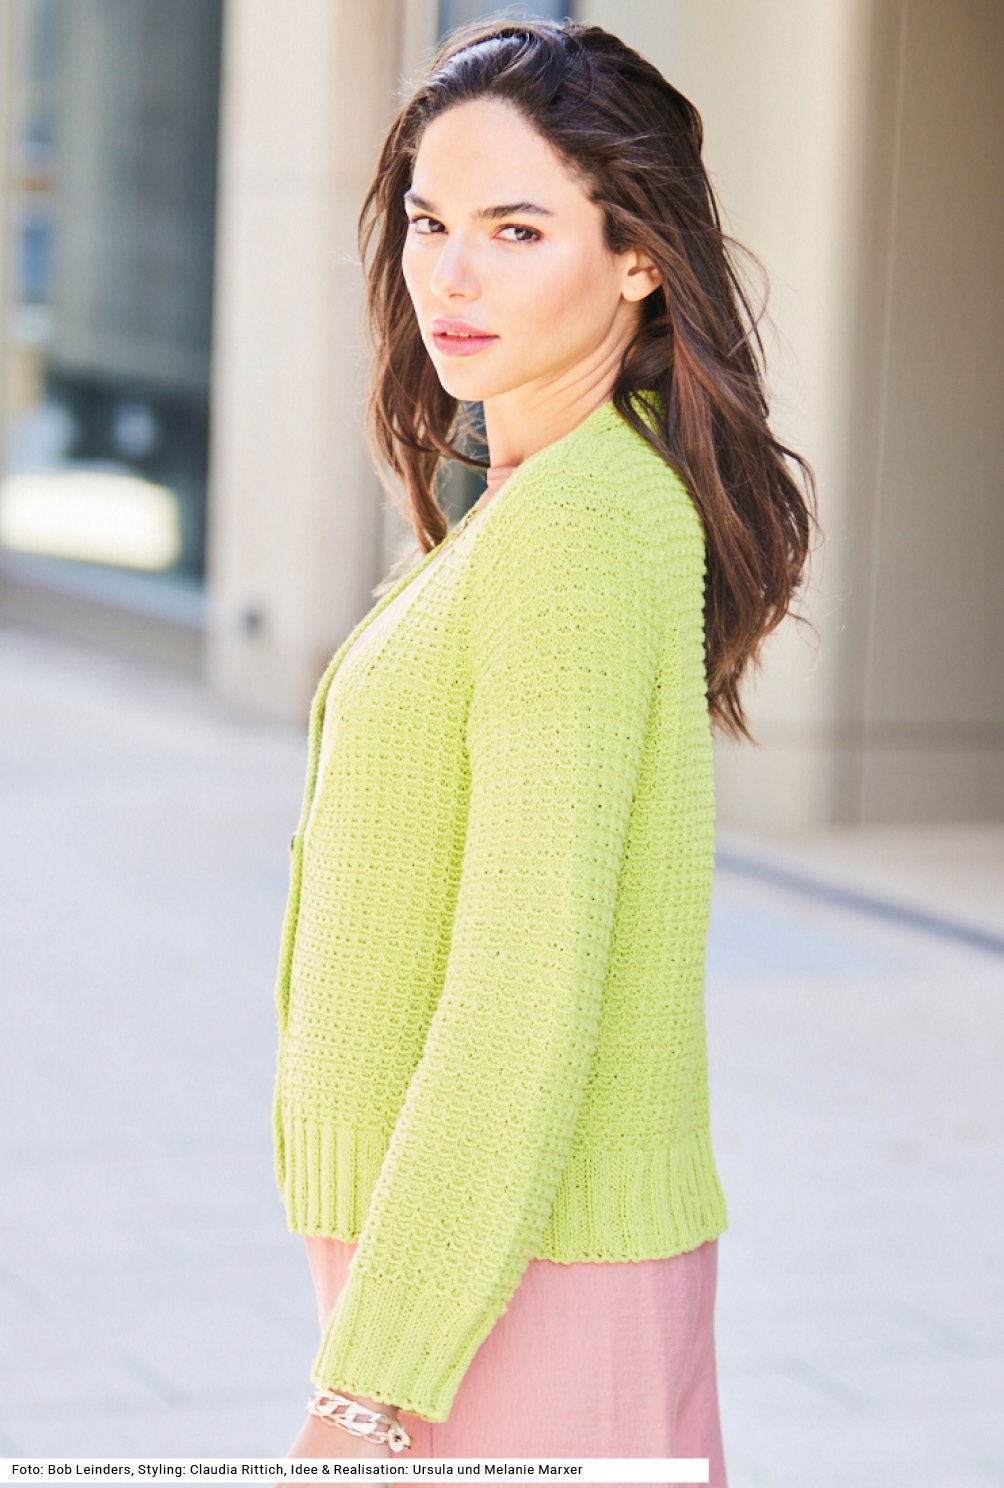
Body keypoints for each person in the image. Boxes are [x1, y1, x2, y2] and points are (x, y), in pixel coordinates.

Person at [269, 16, 819, 1484]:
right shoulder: (542, 498)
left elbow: (527, 981)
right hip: (468, 1256)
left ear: (638, 256)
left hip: (517, 1281)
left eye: (516, 230)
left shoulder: (579, 527)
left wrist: (367, 1391)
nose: (449, 277)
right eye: (428, 222)